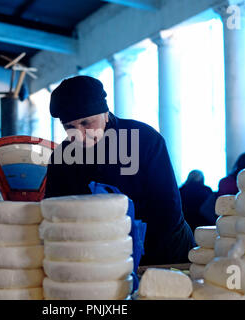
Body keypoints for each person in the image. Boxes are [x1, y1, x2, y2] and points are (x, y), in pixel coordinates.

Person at [44, 75, 195, 266]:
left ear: (105, 113)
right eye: (69, 127)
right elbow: (54, 211)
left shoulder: (144, 139)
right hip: (98, 255)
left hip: (163, 249)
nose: (80, 135)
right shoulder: (62, 158)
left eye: (86, 123)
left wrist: (133, 251)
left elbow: (167, 208)